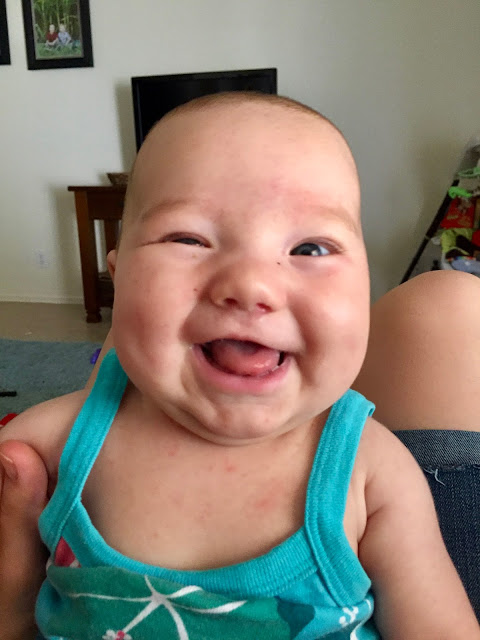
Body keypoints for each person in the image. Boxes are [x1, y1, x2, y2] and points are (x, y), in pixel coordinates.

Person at [1, 93, 479, 639]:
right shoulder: (52, 444)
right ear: (118, 275)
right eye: (188, 238)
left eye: (311, 248)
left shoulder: (370, 473)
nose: (252, 284)